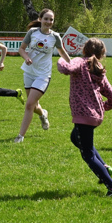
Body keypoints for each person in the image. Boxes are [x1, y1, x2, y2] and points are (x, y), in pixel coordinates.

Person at [57, 38, 112, 197]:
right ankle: (105, 168)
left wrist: (61, 57)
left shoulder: (80, 62)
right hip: (95, 115)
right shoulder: (99, 69)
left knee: (87, 154)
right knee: (75, 138)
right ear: (101, 54)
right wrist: (101, 108)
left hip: (83, 114)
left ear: (84, 50)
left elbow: (65, 68)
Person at [14, 9, 71, 142]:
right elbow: (21, 49)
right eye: (46, 19)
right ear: (40, 19)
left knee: (29, 105)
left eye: (51, 19)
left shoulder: (55, 36)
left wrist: (73, 65)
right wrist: (26, 57)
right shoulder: (32, 32)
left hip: (43, 75)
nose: (48, 22)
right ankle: (43, 114)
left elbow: (62, 52)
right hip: (29, 72)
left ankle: (20, 136)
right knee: (33, 106)